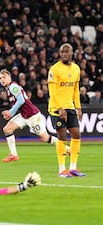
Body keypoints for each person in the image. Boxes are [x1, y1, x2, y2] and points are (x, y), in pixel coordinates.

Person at [0, 69, 69, 163]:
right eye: (0, 78)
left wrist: (11, 112)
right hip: (24, 115)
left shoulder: (13, 87)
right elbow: (19, 103)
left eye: (4, 77)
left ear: (9, 77)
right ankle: (13, 155)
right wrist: (11, 113)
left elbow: (21, 100)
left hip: (32, 115)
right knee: (7, 129)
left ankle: (68, 149)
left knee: (45, 138)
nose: (2, 79)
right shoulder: (8, 89)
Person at [48, 43, 85, 177]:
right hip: (56, 109)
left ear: (71, 53)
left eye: (66, 52)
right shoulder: (54, 69)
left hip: (70, 107)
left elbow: (75, 90)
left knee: (76, 135)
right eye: (61, 52)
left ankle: (73, 168)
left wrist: (78, 107)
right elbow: (52, 92)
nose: (64, 54)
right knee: (62, 136)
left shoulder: (76, 69)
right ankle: (62, 169)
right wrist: (60, 108)